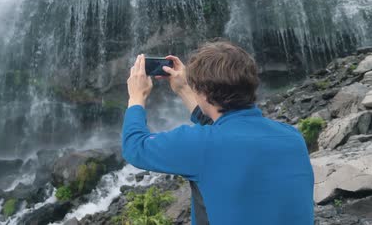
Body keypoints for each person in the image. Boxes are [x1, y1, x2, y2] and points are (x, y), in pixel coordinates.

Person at [122, 41, 314, 225]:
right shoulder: (292, 137)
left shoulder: (200, 144)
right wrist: (185, 90)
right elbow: (225, 131)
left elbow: (134, 146)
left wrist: (137, 96)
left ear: (203, 92)